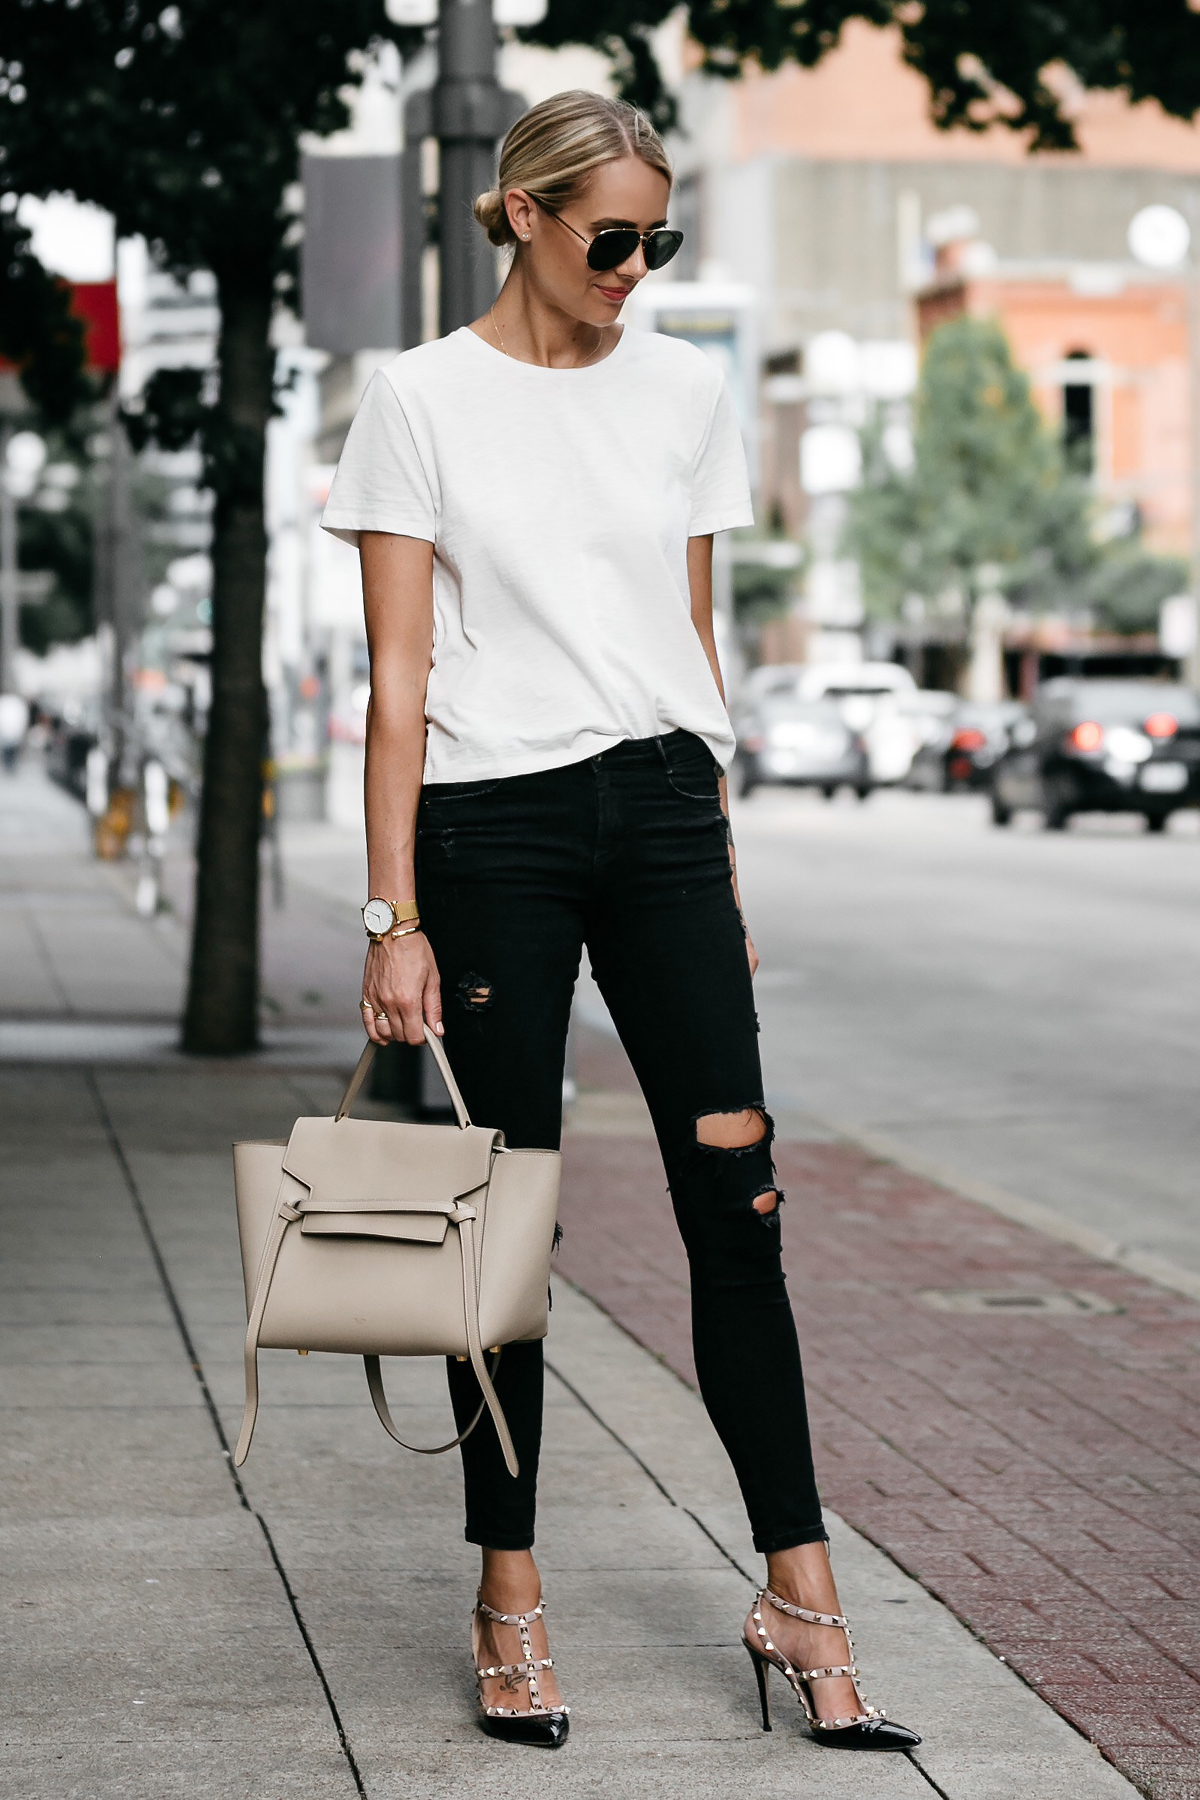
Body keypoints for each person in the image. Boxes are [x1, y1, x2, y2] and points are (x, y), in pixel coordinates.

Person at [321, 89, 919, 1755]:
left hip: (661, 813)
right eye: (610, 239)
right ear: (518, 213)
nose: (635, 269)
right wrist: (394, 915)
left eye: (661, 239)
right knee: (504, 1223)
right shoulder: (419, 398)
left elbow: (693, 643)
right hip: (491, 828)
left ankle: (802, 1595)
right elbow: (396, 684)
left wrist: (718, 877)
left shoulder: (685, 391)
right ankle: (507, 1593)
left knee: (742, 1196)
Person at [0, 691, 29, 773]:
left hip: (10, 729)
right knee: (9, 749)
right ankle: (9, 765)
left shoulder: (6, 702)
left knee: (10, 749)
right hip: (10, 729)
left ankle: (9, 764)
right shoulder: (17, 703)